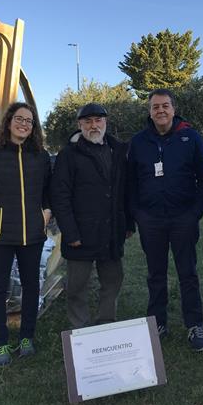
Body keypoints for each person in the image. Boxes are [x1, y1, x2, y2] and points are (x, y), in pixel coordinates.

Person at [127, 88, 203, 351]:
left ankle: (194, 325)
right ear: (150, 112)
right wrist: (138, 214)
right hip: (151, 220)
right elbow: (130, 183)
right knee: (155, 274)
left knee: (188, 273)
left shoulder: (191, 137)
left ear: (174, 109)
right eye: (155, 107)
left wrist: (194, 213)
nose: (160, 111)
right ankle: (157, 323)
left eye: (165, 106)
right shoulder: (139, 142)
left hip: (182, 219)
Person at [0, 102, 52, 366]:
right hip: (0, 235)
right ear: (9, 122)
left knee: (32, 287)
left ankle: (27, 337)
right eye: (19, 119)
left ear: (33, 127)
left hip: (33, 235)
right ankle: (1, 343)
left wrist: (48, 211)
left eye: (29, 121)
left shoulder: (41, 157)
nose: (24, 124)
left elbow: (49, 191)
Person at [51, 103, 134, 328]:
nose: (93, 125)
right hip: (80, 233)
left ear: (106, 123)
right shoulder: (68, 155)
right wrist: (70, 232)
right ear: (80, 125)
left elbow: (125, 190)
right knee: (77, 286)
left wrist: (128, 223)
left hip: (111, 230)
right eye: (87, 121)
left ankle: (106, 323)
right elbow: (60, 196)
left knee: (113, 281)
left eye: (98, 120)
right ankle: (80, 329)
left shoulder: (118, 151)